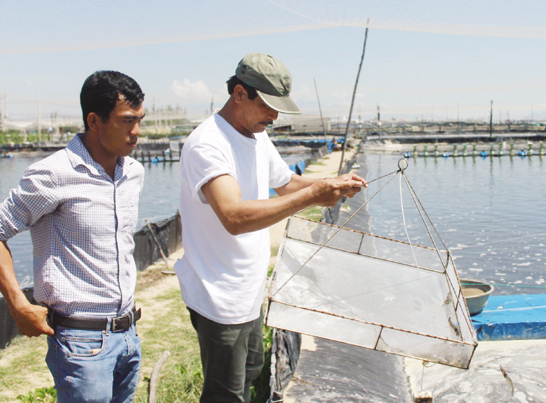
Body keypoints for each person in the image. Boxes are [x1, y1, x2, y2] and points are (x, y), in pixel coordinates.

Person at [175, 53, 366, 403]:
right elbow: (233, 216)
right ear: (239, 95)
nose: (274, 117)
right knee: (226, 394)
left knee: (250, 371)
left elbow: (286, 183)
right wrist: (312, 196)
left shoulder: (256, 135)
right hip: (220, 297)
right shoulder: (209, 144)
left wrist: (330, 184)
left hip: (247, 292)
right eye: (268, 106)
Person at [0, 70, 146, 402]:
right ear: (94, 121)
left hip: (127, 335)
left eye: (139, 120)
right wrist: (18, 305)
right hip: (81, 343)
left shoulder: (133, 173)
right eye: (126, 121)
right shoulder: (53, 174)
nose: (136, 132)